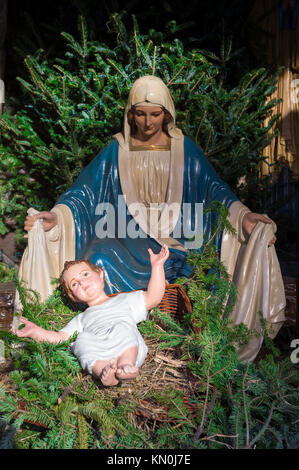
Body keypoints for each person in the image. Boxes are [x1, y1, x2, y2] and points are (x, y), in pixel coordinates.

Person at [16, 75, 286, 362]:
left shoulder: (184, 148)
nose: (147, 123)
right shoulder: (117, 150)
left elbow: (214, 191)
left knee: (206, 265)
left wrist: (242, 218)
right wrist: (56, 219)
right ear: (130, 114)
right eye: (140, 115)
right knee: (99, 256)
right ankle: (108, 319)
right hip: (125, 233)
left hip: (180, 233)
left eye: (155, 114)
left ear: (167, 113)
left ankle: (187, 319)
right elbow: (84, 194)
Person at [13, 244, 169, 386]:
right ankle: (104, 371)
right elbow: (60, 337)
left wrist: (157, 266)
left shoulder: (124, 300)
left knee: (123, 327)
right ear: (73, 297)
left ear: (100, 274)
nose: (81, 282)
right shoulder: (81, 318)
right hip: (100, 352)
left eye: (85, 274)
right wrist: (35, 331)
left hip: (127, 348)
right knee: (80, 341)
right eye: (74, 284)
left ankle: (125, 366)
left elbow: (153, 298)